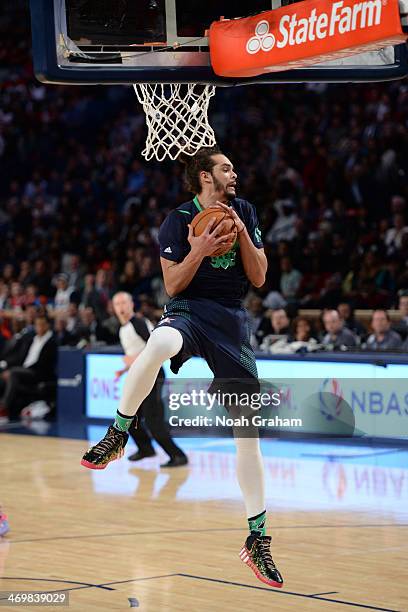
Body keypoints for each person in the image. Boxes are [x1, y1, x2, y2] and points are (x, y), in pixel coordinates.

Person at [81, 146, 283, 588]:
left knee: (248, 436)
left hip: (231, 320)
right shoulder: (176, 220)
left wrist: (241, 230)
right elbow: (172, 284)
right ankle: (119, 433)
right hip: (189, 309)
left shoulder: (245, 209)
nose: (235, 172)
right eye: (226, 168)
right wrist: (201, 248)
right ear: (205, 177)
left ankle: (257, 537)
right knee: (158, 343)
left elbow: (261, 276)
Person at [112, 291, 187, 467]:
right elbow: (137, 354)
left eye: (124, 303)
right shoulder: (123, 328)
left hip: (153, 375)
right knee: (128, 416)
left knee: (153, 420)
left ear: (131, 304)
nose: (121, 307)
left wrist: (132, 360)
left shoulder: (137, 322)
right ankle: (146, 449)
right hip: (140, 375)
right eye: (117, 304)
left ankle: (178, 456)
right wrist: (124, 369)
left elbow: (154, 348)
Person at [0, 313, 57, 421]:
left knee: (12, 374)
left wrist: (14, 370)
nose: (39, 327)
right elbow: (22, 359)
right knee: (5, 375)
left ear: (47, 326)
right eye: (37, 325)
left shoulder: (51, 341)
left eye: (42, 325)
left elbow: (44, 364)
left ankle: (4, 407)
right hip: (24, 370)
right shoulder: (32, 339)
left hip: (37, 372)